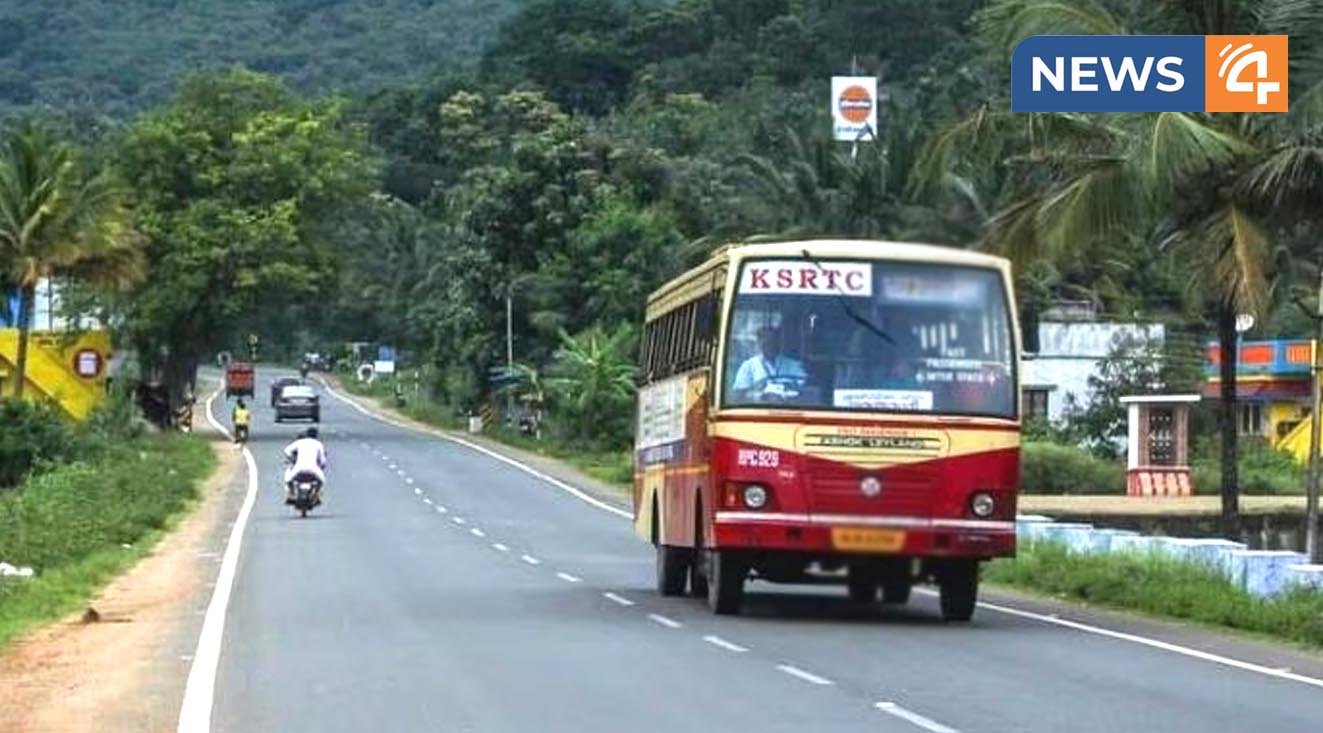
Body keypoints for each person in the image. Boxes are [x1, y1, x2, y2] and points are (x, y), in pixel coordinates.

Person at [731, 326, 806, 399]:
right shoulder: (748, 366)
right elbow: (738, 396)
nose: (770, 346)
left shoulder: (793, 365)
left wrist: (787, 386)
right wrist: (757, 388)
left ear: (778, 343)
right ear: (759, 344)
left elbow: (805, 389)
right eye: (766, 343)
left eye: (773, 342)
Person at [282, 427, 328, 504]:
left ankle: (292, 494)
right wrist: (322, 466)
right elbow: (323, 461)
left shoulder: (300, 442)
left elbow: (287, 450)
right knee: (321, 481)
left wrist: (292, 458)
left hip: (298, 469)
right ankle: (316, 494)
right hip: (313, 470)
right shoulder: (318, 444)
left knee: (288, 480)